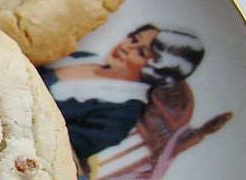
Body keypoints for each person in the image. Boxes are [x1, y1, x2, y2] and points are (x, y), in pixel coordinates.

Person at [38, 23, 205, 165]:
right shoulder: (84, 57)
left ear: (154, 70)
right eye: (133, 39)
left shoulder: (120, 115)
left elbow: (59, 151)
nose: (126, 47)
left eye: (141, 53)